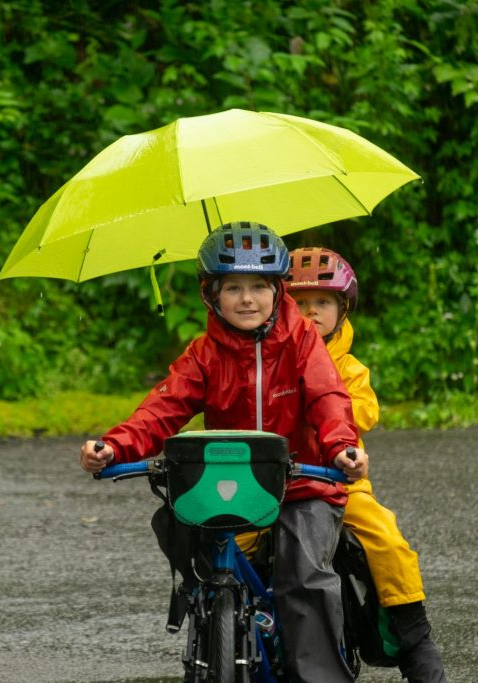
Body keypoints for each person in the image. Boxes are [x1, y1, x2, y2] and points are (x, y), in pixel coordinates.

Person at [80, 221, 364, 683]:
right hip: (227, 481)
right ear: (211, 295)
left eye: (258, 287)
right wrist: (113, 446)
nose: (247, 299)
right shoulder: (203, 354)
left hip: (302, 480)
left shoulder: (302, 342)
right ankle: (209, 609)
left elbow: (328, 398)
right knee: (178, 521)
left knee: (306, 577)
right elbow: (161, 410)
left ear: (278, 291)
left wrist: (341, 449)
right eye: (233, 287)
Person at [287, 246, 448, 683]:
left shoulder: (350, 368)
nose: (311, 312)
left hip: (337, 480)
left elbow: (362, 413)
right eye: (299, 304)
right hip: (271, 481)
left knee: (385, 537)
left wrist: (322, 407)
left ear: (343, 309)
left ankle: (414, 637)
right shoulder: (267, 361)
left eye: (322, 302)